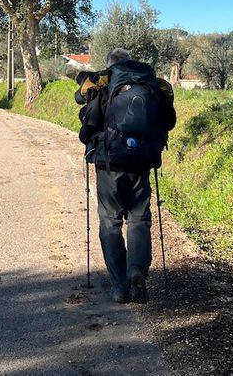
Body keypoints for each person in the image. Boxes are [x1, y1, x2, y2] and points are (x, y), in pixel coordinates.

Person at [75, 47, 176, 304]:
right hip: (141, 162)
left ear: (110, 65)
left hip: (110, 163)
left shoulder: (102, 82)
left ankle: (120, 286)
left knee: (110, 221)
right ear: (130, 63)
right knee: (139, 219)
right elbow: (168, 121)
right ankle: (137, 272)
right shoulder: (151, 83)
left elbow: (87, 119)